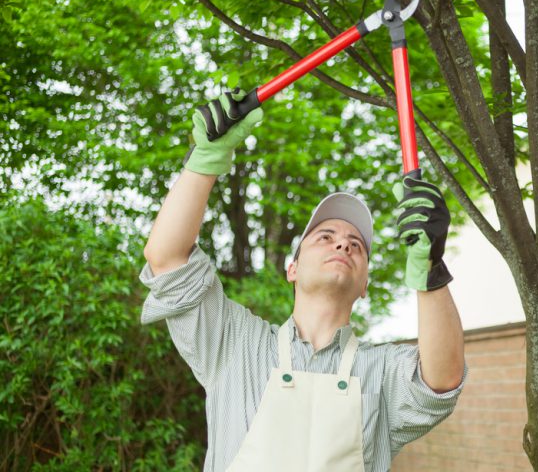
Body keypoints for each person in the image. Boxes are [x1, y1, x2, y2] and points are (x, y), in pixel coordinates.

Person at [139, 89, 467, 472]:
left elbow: (441, 381)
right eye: (325, 237)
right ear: (292, 269)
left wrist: (430, 270)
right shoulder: (235, 344)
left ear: (364, 286)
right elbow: (167, 259)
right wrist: (205, 161)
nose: (343, 242)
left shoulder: (382, 372)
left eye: (356, 245)